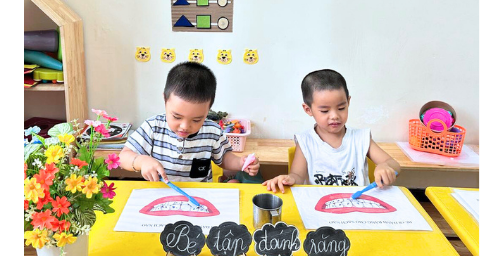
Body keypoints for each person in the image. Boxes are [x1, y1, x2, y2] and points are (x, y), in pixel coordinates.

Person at [263, 69, 400, 193]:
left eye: (341, 108)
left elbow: (394, 164)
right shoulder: (306, 141)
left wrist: (385, 166)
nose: (334, 116)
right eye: (324, 111)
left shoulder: (361, 138)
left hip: (357, 205)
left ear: (348, 102)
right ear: (308, 109)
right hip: (318, 206)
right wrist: (288, 179)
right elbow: (297, 175)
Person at [119, 62, 260, 182]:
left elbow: (224, 158)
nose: (185, 126)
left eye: (197, 119)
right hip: (161, 195)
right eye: (177, 117)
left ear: (208, 109)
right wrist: (141, 161)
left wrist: (240, 162)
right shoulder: (153, 127)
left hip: (200, 197)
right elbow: (124, 156)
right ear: (165, 100)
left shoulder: (212, 131)